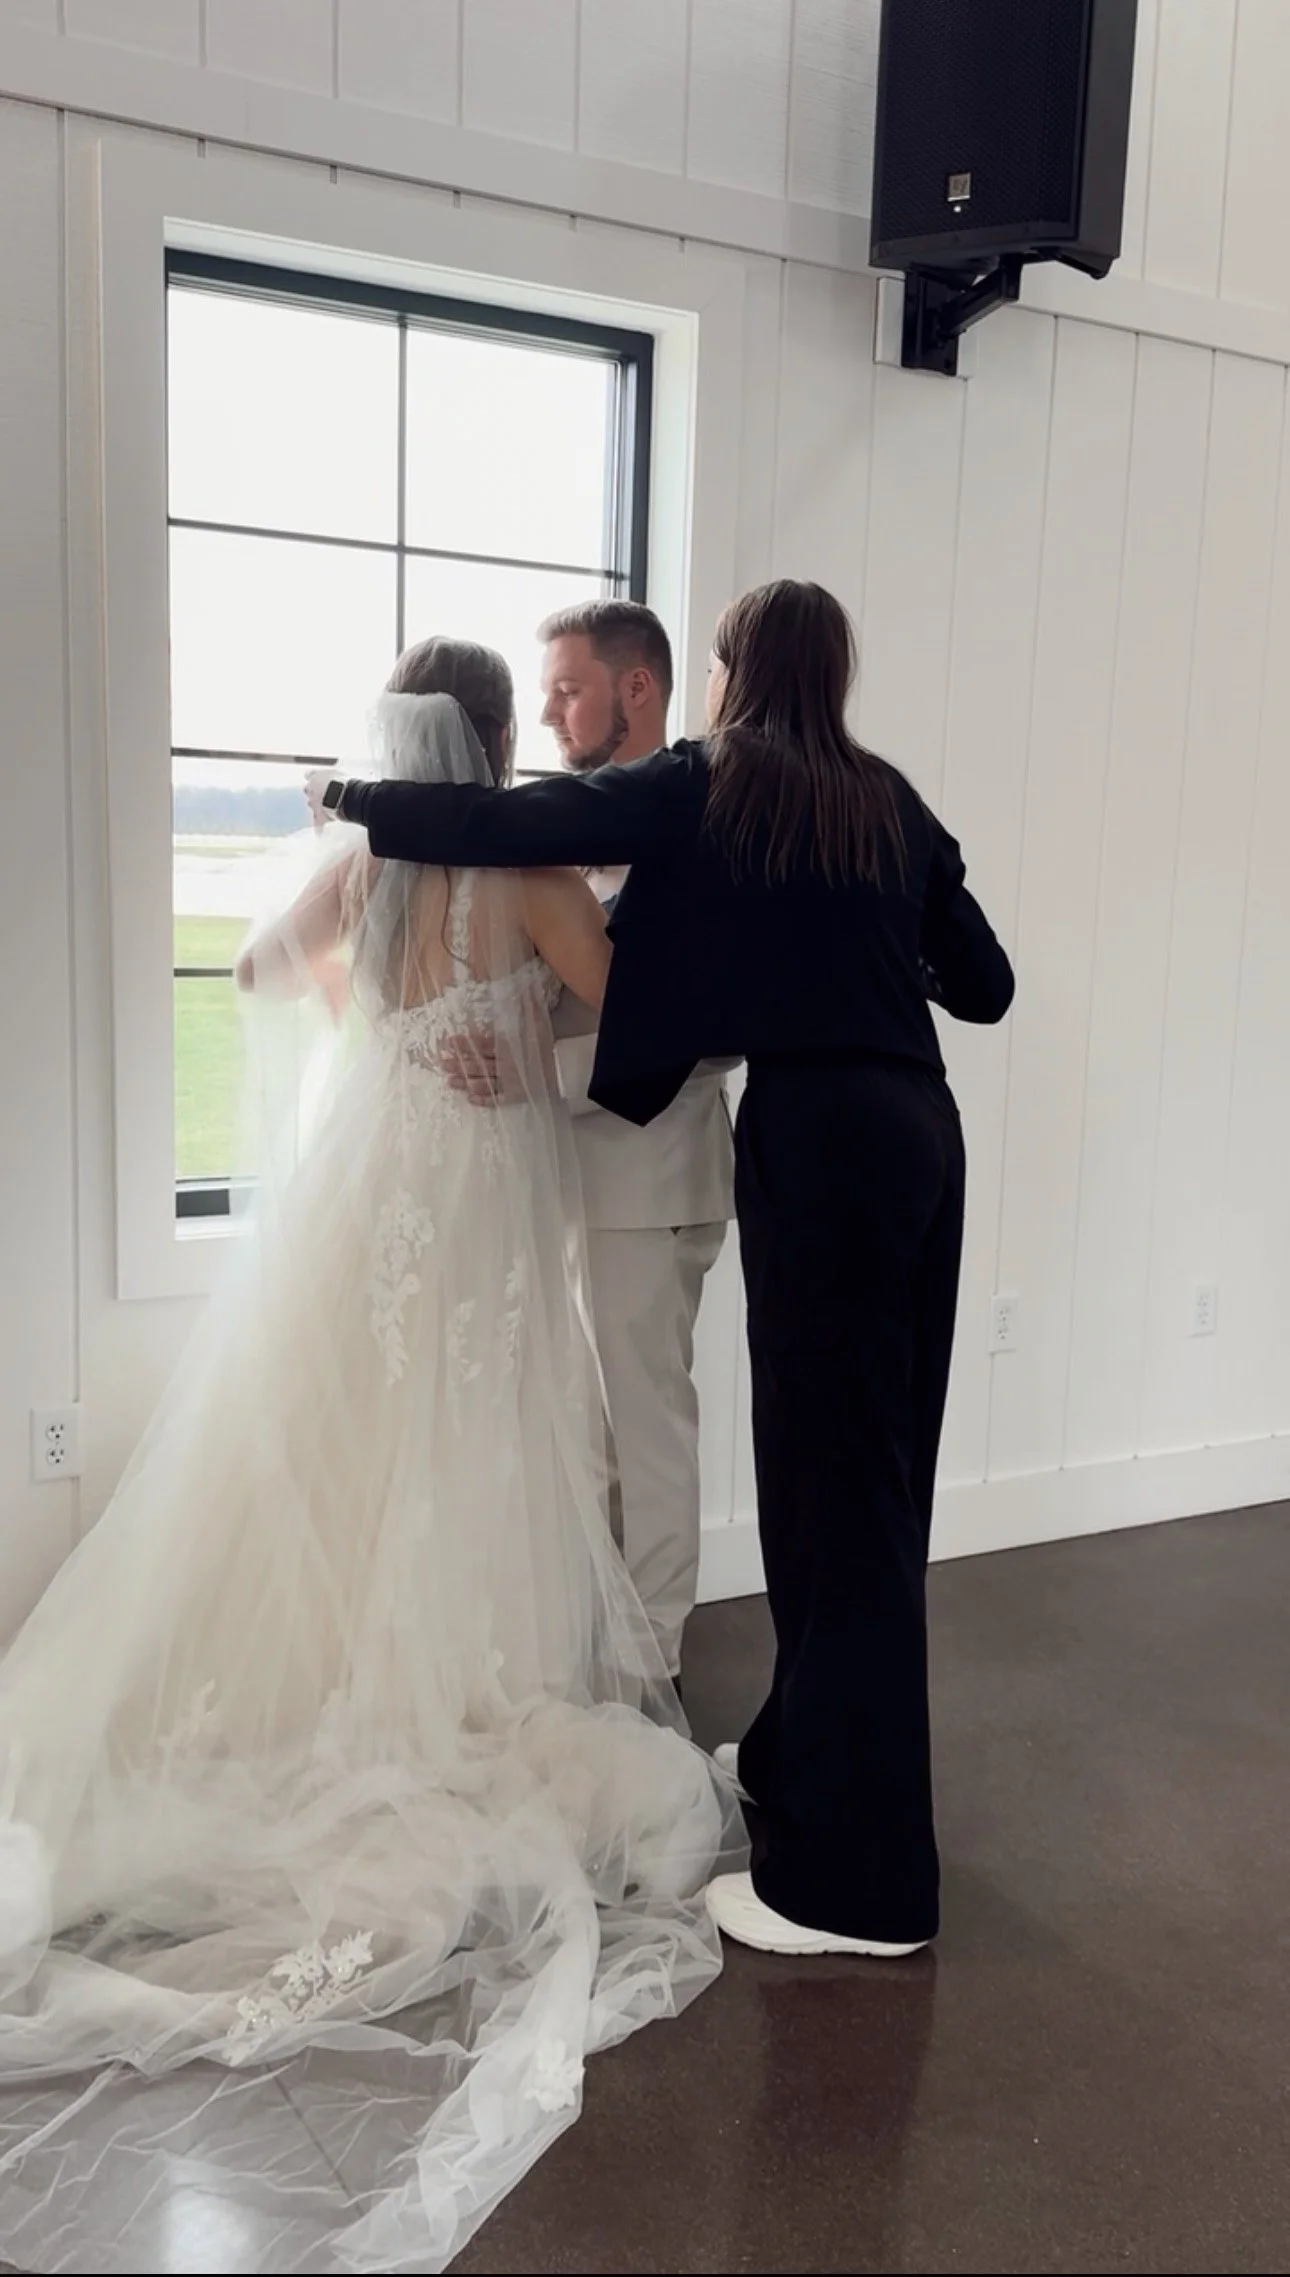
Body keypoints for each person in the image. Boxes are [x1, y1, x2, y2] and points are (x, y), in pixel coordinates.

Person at [0, 637, 743, 2277]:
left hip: (369, 1181)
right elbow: (648, 1019)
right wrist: (516, 1049)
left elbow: (265, 964)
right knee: (469, 1443)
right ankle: (456, 1693)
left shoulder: (369, 858)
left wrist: (384, 1036)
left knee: (339, 1452)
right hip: (473, 1195)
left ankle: (333, 1688)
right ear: (489, 741)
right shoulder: (529, 866)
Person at [308, 580, 1015, 1961]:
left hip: (819, 1142)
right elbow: (979, 982)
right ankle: (800, 1763)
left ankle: (852, 1892)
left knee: (833, 1499)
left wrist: (353, 795)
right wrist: (869, 937)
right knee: (870, 1485)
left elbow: (508, 821)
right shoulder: (885, 800)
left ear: (730, 674)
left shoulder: (716, 781)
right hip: (922, 1136)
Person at [537, 602, 733, 1686]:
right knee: (600, 1435)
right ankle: (605, 1641)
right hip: (584, 1180)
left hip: (654, 1180)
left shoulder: (693, 835)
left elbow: (702, 1039)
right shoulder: (586, 830)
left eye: (569, 688)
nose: (550, 711)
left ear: (639, 691)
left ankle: (650, 1667)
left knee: (649, 1435)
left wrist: (537, 1081)